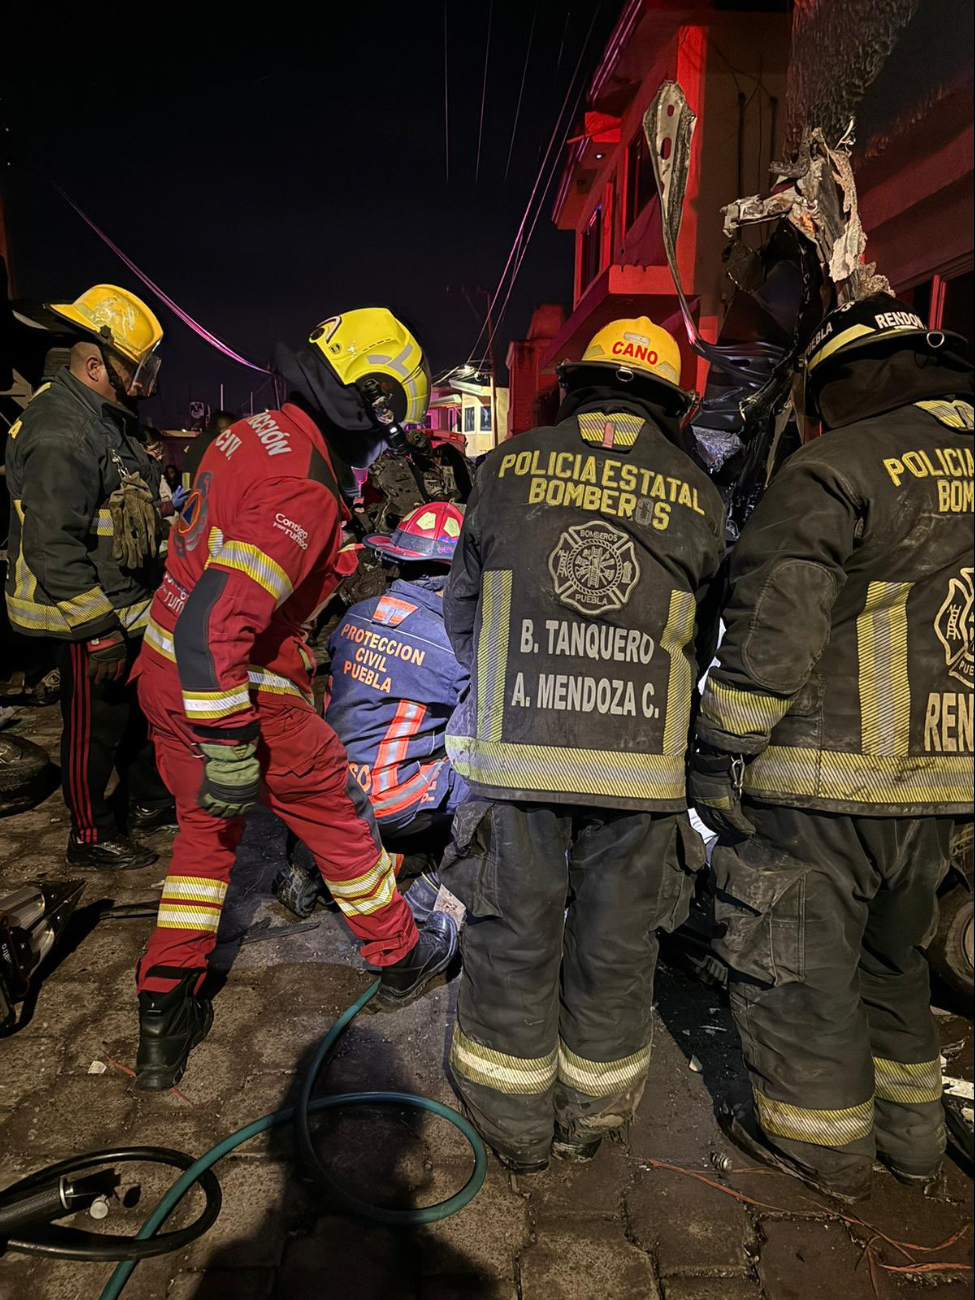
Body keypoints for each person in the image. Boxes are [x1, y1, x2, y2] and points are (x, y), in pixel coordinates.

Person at [691, 293, 974, 1202]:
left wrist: (717, 750)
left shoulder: (836, 466)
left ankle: (824, 1152)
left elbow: (774, 622)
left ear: (840, 389)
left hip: (826, 781)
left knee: (800, 969)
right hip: (946, 784)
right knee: (893, 963)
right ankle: (916, 1143)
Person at [132, 307, 457, 1090]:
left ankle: (162, 1009)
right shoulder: (304, 489)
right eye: (388, 423)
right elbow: (223, 619)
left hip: (163, 669)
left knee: (204, 840)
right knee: (341, 823)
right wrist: (233, 743)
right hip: (237, 687)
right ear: (371, 401)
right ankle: (399, 954)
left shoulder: (252, 432)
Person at [443, 317, 726, 1172]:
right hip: (641, 774)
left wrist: (513, 692)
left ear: (576, 387)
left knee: (511, 930)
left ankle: (510, 1123)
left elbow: (463, 614)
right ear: (671, 405)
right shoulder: (699, 493)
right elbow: (705, 635)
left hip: (517, 754)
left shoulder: (503, 468)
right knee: (615, 943)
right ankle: (593, 1117)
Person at [4, 284, 174, 869]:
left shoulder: (103, 417)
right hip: (85, 615)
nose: (144, 378)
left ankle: (148, 802)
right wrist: (97, 626)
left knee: (132, 719)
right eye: (135, 366)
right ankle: (90, 834)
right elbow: (52, 541)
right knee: (90, 730)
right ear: (95, 364)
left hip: (124, 601)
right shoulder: (62, 428)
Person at [327, 500, 469, 839]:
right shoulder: (450, 646)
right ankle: (435, 882)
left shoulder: (355, 614)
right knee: (497, 774)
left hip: (333, 791)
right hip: (391, 806)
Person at [180, 409, 237, 491]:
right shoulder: (215, 445)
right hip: (206, 495)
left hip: (192, 495)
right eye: (231, 427)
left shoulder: (199, 442)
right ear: (221, 426)